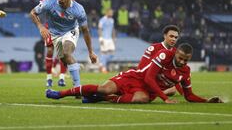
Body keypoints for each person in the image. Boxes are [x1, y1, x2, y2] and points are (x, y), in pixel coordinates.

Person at [46, 43, 223, 104]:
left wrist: (206, 100)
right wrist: (165, 97)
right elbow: (148, 77)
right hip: (136, 77)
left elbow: (189, 95)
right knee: (104, 89)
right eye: (181, 57)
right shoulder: (164, 55)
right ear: (176, 52)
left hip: (147, 91)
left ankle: (104, 99)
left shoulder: (185, 72)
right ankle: (60, 94)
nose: (183, 61)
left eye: (186, 59)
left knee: (142, 99)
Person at [31, 0, 97, 91]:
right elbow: (33, 13)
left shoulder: (78, 9)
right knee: (64, 59)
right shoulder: (49, 2)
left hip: (70, 31)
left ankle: (77, 88)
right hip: (55, 34)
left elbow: (85, 31)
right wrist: (40, 27)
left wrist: (90, 52)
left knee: (67, 53)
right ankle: (75, 66)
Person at [40, 0, 76, 87]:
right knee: (50, 51)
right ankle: (49, 77)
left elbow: (73, 7)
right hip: (50, 26)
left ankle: (61, 78)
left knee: (63, 52)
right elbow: (41, 7)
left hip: (64, 27)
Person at [138, 24, 182, 96]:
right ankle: (154, 93)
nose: (173, 39)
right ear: (165, 36)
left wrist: (182, 93)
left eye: (176, 37)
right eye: (171, 36)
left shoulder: (176, 52)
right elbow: (141, 67)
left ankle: (155, 93)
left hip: (160, 82)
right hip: (147, 78)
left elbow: (175, 74)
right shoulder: (153, 48)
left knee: (173, 90)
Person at [98, 8, 116, 73]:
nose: (112, 14)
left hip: (110, 39)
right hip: (104, 39)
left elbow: (113, 29)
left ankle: (101, 64)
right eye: (111, 12)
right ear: (107, 13)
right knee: (104, 52)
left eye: (112, 12)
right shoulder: (102, 20)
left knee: (112, 53)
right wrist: (101, 38)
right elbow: (99, 29)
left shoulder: (112, 20)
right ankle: (103, 68)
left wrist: (114, 38)